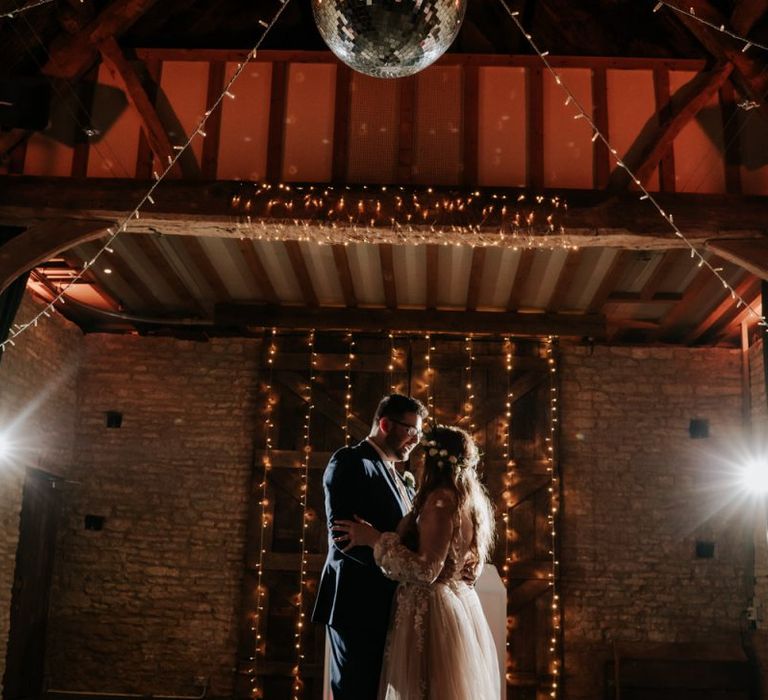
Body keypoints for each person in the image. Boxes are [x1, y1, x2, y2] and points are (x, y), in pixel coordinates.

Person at [333, 424, 499, 700]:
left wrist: (375, 539)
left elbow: (425, 570)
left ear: (433, 459)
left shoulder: (441, 503)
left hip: (429, 612)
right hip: (451, 605)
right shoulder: (466, 500)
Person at [311, 394, 428, 700]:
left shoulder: (398, 476)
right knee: (354, 692)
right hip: (357, 602)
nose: (416, 439)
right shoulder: (351, 461)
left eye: (420, 433)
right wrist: (395, 566)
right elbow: (344, 537)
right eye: (411, 430)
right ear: (386, 424)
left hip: (388, 603)